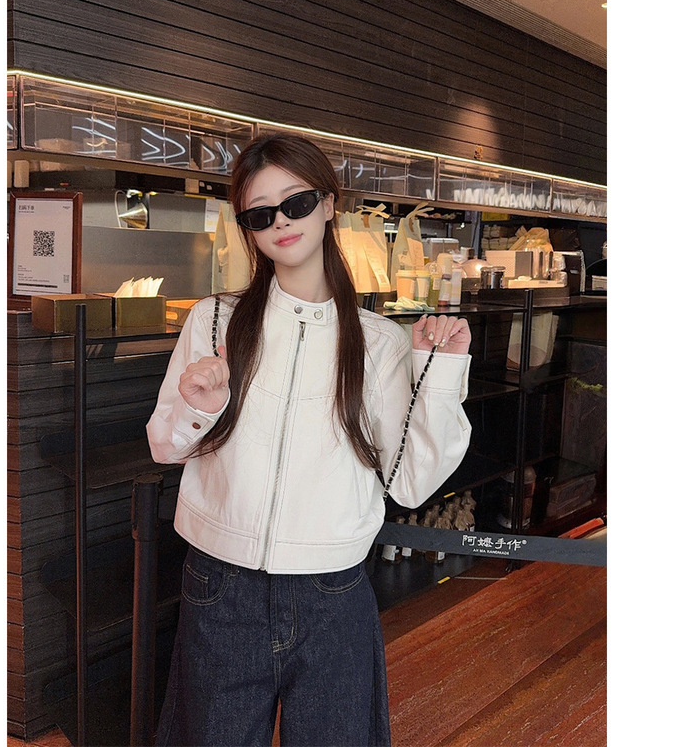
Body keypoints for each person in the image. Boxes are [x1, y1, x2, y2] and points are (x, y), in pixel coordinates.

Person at [146, 132, 472, 747]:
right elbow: (165, 446)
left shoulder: (379, 342)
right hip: (220, 585)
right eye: (260, 213)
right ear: (248, 228)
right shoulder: (213, 320)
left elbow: (408, 481)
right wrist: (198, 409)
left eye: (295, 203)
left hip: (332, 591)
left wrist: (441, 373)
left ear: (327, 204)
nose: (281, 222)